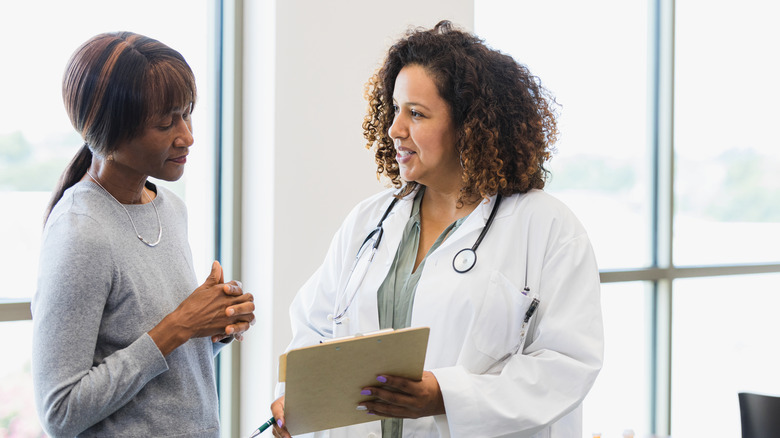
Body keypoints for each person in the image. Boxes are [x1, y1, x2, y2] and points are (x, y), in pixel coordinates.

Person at [270, 21, 603, 438]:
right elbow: (315, 327)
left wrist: (446, 395)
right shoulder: (370, 221)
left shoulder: (547, 227)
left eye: (417, 114)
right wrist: (297, 398)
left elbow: (566, 365)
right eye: (394, 109)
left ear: (469, 126)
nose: (395, 129)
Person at [32, 32, 255, 437]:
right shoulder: (80, 232)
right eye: (165, 123)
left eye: (187, 114)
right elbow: (60, 412)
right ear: (110, 132)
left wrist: (214, 327)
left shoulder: (170, 208)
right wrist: (179, 326)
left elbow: (162, 374)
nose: (187, 136)